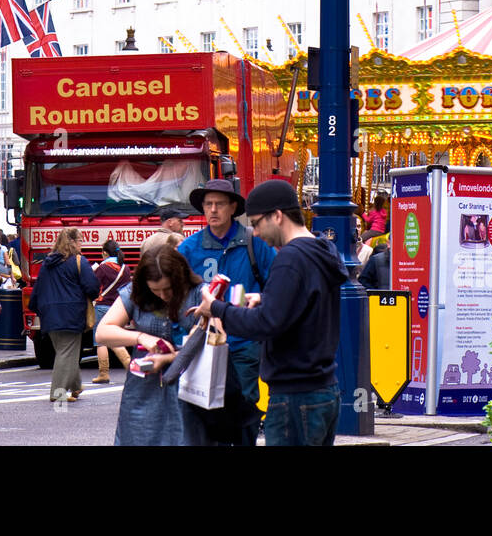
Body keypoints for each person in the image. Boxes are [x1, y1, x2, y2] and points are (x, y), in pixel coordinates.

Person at [195, 179, 347, 447]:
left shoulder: (290, 258)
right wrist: (267, 298)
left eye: (256, 223)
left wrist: (216, 308)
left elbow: (266, 324)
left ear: (277, 216)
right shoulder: (320, 250)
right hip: (324, 391)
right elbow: (306, 304)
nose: (254, 233)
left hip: (295, 396)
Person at [178, 177, 276, 445]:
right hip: (202, 342)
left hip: (243, 341)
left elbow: (277, 288)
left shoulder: (255, 244)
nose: (212, 210)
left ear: (233, 207)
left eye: (219, 204)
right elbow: (176, 296)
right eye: (208, 204)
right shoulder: (188, 248)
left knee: (244, 404)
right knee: (204, 406)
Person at [95, 245, 201, 445]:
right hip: (143, 390)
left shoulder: (198, 294)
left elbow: (205, 341)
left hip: (191, 389)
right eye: (155, 290)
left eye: (168, 288)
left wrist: (169, 358)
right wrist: (141, 337)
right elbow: (102, 332)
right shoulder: (134, 293)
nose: (163, 295)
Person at [28, 227, 99, 402]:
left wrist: (41, 310)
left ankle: (76, 386)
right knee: (67, 353)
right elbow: (92, 287)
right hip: (71, 313)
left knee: (65, 351)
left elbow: (36, 292)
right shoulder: (78, 261)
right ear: (73, 242)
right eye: (81, 240)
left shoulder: (46, 264)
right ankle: (57, 393)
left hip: (49, 314)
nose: (82, 244)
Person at [91, 239, 132, 383]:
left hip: (103, 306)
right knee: (115, 340)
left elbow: (93, 286)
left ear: (104, 253)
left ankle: (103, 374)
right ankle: (130, 368)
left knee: (100, 341)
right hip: (118, 309)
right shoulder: (125, 269)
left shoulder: (102, 268)